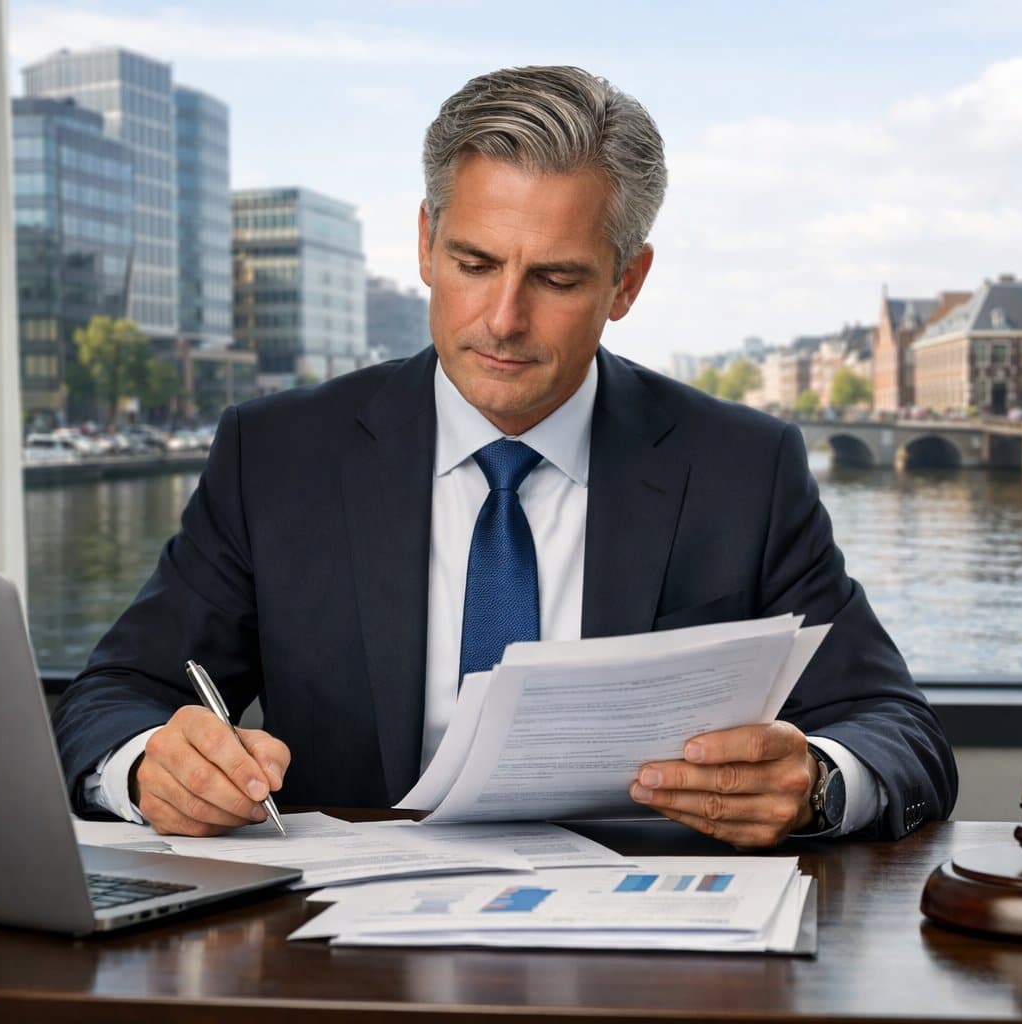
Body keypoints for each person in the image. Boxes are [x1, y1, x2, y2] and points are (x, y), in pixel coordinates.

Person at [52, 65, 957, 849]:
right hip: (345, 954)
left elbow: (896, 730)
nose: (502, 320)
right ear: (424, 244)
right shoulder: (276, 456)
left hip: (647, 945)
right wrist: (147, 769)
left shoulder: (742, 468)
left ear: (627, 284)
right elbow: (114, 696)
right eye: (475, 262)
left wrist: (819, 786)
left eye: (556, 278)